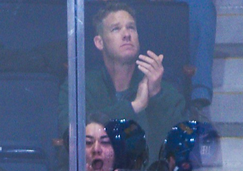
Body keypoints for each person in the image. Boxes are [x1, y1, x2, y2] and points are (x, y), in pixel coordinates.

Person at [59, 1, 186, 159]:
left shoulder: (164, 91)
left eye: (131, 27)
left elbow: (176, 148)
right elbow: (71, 136)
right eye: (116, 29)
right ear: (99, 42)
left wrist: (156, 96)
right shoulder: (79, 87)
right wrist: (133, 107)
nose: (127, 34)